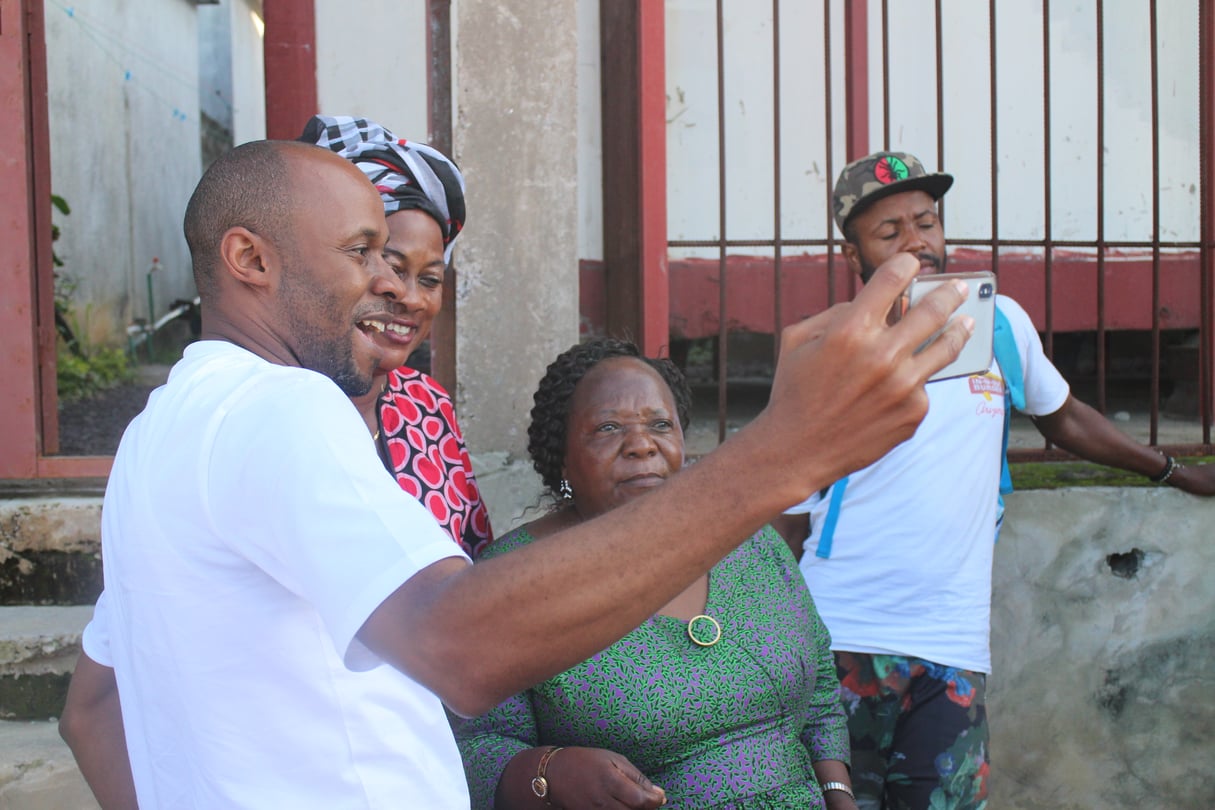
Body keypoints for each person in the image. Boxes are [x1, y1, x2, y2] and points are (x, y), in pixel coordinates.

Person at [57, 138, 971, 809]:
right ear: (250, 259)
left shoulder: (158, 435)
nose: (391, 284)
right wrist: (784, 453)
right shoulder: (278, 408)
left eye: (399, 257)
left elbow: (93, 709)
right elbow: (459, 645)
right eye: (360, 252)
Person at [782, 150, 1215, 810]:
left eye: (924, 222)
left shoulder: (999, 325)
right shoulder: (833, 346)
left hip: (951, 647)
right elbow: (786, 500)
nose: (915, 242)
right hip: (841, 634)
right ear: (853, 255)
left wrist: (1175, 472)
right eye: (888, 231)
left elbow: (1063, 418)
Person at [453, 338, 857, 810]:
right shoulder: (513, 577)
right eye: (608, 427)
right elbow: (478, 747)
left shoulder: (746, 538)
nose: (642, 445)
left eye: (660, 425)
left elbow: (823, 697)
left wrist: (839, 796)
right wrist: (550, 770)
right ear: (561, 456)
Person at [300, 114, 492, 556]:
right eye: (389, 265)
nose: (410, 298)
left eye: (429, 279)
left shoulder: (427, 403)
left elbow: (476, 557)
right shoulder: (268, 406)